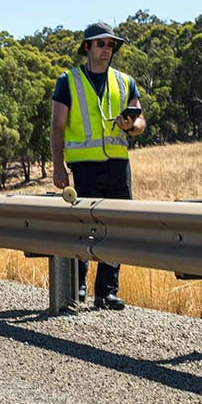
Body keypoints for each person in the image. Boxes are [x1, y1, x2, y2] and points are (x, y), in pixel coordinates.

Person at [50, 22, 146, 311]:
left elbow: (140, 122)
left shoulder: (125, 81)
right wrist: (58, 166)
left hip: (118, 164)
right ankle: (77, 286)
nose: (107, 49)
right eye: (100, 44)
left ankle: (106, 292)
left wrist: (132, 125)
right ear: (87, 47)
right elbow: (57, 128)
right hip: (84, 166)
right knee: (85, 227)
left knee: (115, 227)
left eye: (110, 45)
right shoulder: (68, 81)